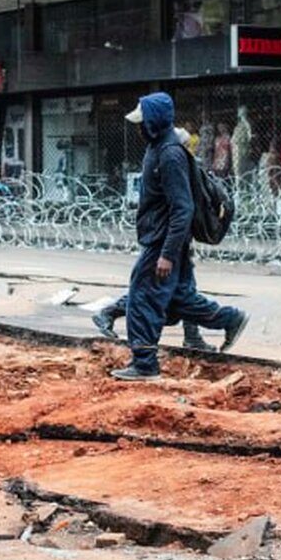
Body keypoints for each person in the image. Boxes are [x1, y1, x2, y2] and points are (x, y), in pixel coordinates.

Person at [112, 92, 248, 380]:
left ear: (154, 122)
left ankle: (145, 363)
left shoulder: (170, 154)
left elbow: (182, 208)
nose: (138, 127)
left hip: (162, 242)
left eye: (142, 121)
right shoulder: (159, 147)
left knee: (142, 299)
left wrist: (167, 254)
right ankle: (230, 318)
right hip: (164, 239)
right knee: (177, 300)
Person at [95, 124, 209, 352]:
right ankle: (115, 318)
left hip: (173, 238)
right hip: (167, 238)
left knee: (177, 289)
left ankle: (191, 335)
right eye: (186, 146)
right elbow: (180, 207)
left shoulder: (174, 160)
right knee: (155, 290)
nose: (188, 150)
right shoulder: (171, 160)